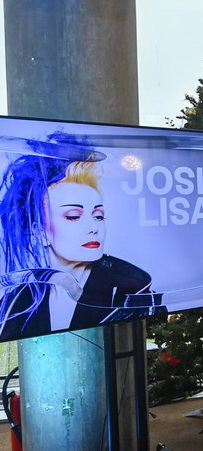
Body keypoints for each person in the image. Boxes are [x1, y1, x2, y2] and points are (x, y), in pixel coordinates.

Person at [0, 136, 163, 340]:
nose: (93, 227)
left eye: (98, 216)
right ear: (39, 231)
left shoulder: (133, 289)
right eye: (73, 216)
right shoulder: (17, 303)